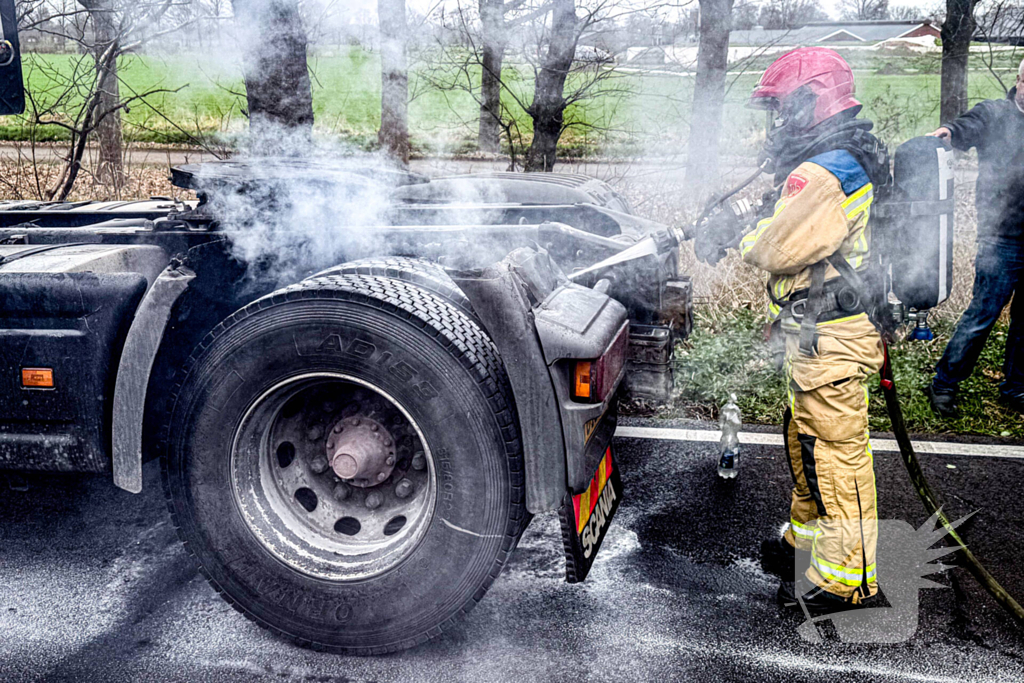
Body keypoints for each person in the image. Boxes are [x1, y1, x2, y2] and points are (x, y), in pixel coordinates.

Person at [732, 47, 890, 613]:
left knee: (836, 450)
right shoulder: (840, 155)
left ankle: (850, 579)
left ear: (811, 102)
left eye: (782, 109)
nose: (776, 123)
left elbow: (778, 248)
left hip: (835, 332)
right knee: (807, 437)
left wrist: (739, 236)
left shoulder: (828, 169)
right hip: (820, 328)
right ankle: (807, 543)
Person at [925, 59, 1024, 418]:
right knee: (982, 315)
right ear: (1019, 80)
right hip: (1001, 237)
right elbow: (967, 126)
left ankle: (1016, 387)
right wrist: (949, 133)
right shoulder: (996, 114)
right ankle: (944, 383)